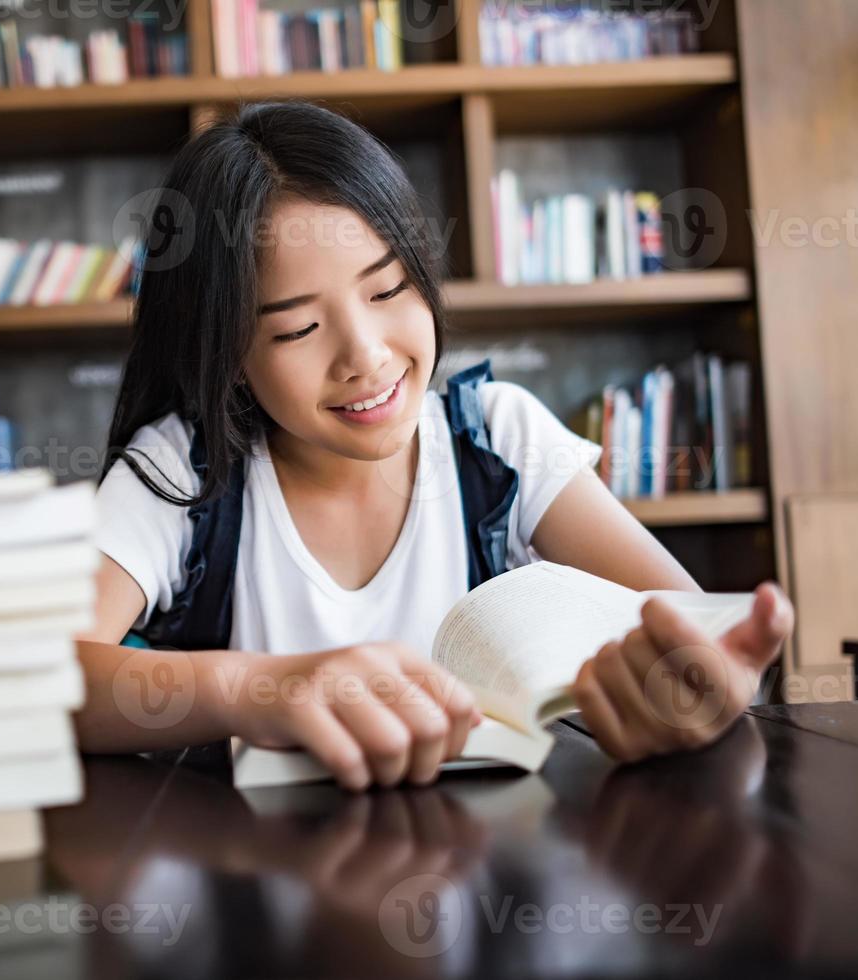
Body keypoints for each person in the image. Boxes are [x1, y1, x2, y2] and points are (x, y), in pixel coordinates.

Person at [75, 101, 793, 790]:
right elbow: (50, 679)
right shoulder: (178, 469)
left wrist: (704, 689)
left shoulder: (500, 436)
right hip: (259, 872)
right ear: (228, 354)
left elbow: (699, 636)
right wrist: (261, 688)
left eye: (387, 290)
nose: (365, 356)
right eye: (295, 330)